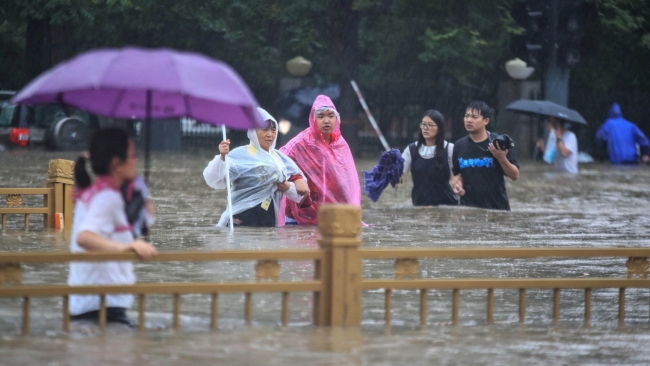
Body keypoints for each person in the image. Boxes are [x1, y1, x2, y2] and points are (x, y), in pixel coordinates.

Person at [69, 128, 158, 327]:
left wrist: (145, 200)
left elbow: (136, 229)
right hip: (101, 307)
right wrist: (126, 248)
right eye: (133, 155)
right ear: (117, 163)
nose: (136, 160)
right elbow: (84, 237)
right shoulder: (107, 198)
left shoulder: (98, 192)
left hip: (94, 302)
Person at [203, 108, 309, 227]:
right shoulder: (240, 154)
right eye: (264, 129)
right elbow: (214, 179)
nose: (270, 134)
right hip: (242, 217)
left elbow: (300, 193)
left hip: (268, 217)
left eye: (273, 130)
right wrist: (222, 158)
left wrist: (288, 186)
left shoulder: (279, 158)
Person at [279, 94, 361, 225]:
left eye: (330, 116)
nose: (326, 120)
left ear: (337, 119)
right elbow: (279, 159)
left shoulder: (341, 145)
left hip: (331, 217)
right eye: (321, 116)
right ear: (313, 119)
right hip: (298, 216)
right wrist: (296, 178)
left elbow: (349, 182)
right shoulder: (301, 143)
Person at [451, 101, 519, 211]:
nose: (469, 120)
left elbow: (515, 175)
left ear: (486, 121)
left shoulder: (499, 143)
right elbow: (456, 173)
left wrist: (501, 158)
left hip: (497, 209)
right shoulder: (459, 146)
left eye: (474, 117)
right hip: (468, 209)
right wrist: (457, 184)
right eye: (466, 116)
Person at [401, 110, 458, 206]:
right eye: (423, 124)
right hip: (419, 204)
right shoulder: (411, 150)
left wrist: (457, 184)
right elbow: (399, 171)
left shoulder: (449, 148)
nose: (425, 128)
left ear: (439, 128)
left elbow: (459, 174)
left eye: (430, 125)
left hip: (446, 206)